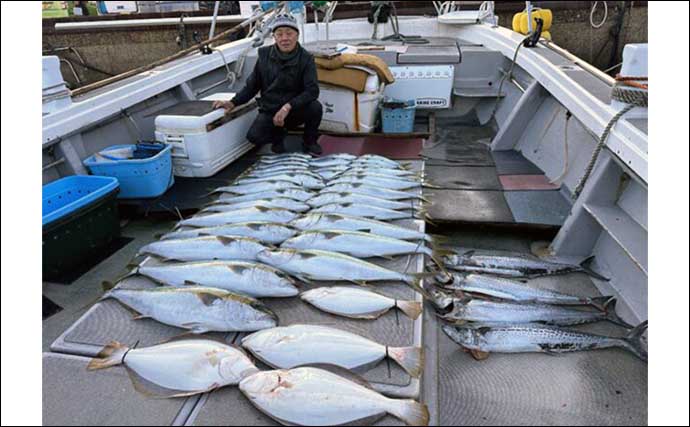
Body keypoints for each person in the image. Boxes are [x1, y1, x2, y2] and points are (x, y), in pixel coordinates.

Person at [212, 14, 323, 154]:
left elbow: (312, 90)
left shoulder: (306, 58)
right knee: (254, 137)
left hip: (294, 109)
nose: (284, 38)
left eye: (289, 33)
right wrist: (233, 103)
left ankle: (309, 141)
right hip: (271, 109)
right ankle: (278, 135)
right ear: (274, 37)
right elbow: (252, 86)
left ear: (297, 35)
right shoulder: (264, 55)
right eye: (280, 34)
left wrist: (288, 107)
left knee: (315, 107)